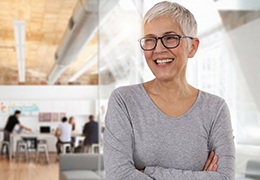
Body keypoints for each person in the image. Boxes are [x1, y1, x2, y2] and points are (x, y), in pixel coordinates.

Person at [104, 1, 235, 180]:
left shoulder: (215, 109)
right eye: (150, 40)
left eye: (170, 38)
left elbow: (225, 178)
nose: (158, 49)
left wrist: (148, 172)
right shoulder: (124, 101)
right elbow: (118, 176)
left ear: (193, 47)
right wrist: (201, 177)